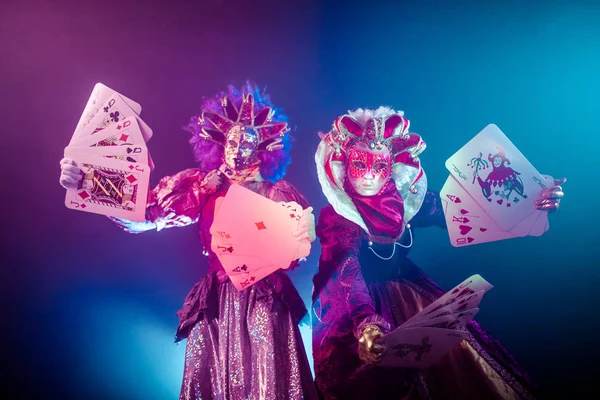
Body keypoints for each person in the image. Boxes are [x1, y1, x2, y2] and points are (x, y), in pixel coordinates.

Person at [60, 82, 319, 400]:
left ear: (261, 149)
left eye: (247, 142)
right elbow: (146, 214)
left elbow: (295, 251)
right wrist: (87, 180)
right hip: (216, 302)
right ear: (220, 144)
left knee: (266, 382)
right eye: (232, 141)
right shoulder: (202, 185)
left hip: (264, 301)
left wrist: (294, 239)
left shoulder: (277, 193)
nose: (237, 150)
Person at [311, 106, 565, 400]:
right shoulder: (337, 217)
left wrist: (531, 201)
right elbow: (347, 273)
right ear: (342, 164)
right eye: (359, 164)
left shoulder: (405, 199)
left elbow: (462, 214)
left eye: (379, 166)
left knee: (456, 363)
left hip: (407, 293)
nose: (369, 175)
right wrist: (367, 325)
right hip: (350, 310)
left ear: (392, 166)